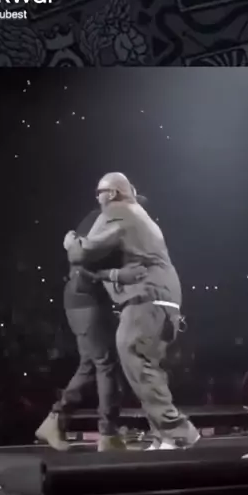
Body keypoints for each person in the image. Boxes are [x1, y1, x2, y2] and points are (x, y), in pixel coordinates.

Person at [65, 172, 200, 451]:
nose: (98, 199)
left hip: (148, 297)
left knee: (134, 353)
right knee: (144, 366)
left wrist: (70, 241)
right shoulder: (137, 215)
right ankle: (163, 435)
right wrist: (111, 274)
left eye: (99, 193)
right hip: (160, 298)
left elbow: (81, 253)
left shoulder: (119, 210)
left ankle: (178, 432)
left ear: (113, 193)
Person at [35, 208, 145, 452]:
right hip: (86, 300)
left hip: (85, 298)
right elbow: (79, 256)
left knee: (90, 364)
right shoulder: (111, 221)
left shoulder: (105, 221)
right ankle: (108, 433)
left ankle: (55, 420)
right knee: (106, 364)